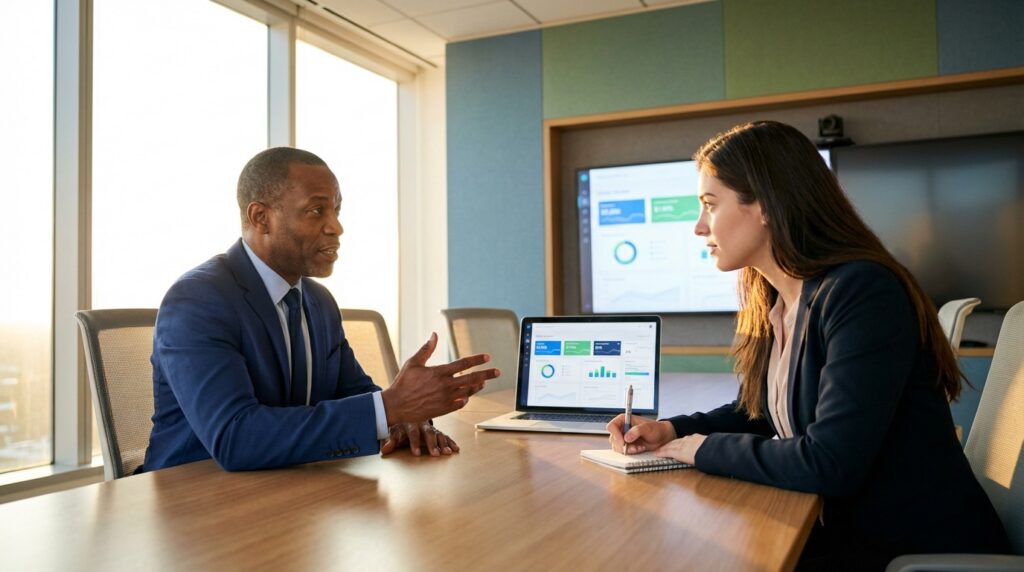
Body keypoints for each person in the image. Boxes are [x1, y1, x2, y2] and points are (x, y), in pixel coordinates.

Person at [606, 121, 1009, 569]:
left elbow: (829, 462)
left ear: (764, 204)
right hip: (853, 532)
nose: (699, 227)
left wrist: (701, 449)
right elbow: (757, 412)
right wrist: (673, 430)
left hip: (909, 547)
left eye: (709, 205)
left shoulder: (861, 291)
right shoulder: (783, 300)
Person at [142, 147, 499, 472]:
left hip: (284, 496)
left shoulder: (318, 301)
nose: (336, 227)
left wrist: (406, 418)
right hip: (193, 503)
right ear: (260, 217)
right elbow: (237, 437)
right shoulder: (198, 300)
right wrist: (390, 408)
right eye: (316, 210)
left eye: (336, 210)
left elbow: (355, 393)